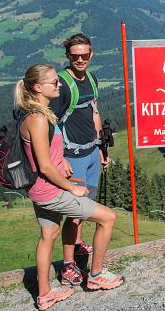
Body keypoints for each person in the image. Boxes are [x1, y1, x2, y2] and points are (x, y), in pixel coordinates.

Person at [15, 64, 123, 310]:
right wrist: (71, 188)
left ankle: (44, 295)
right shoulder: (39, 119)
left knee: (48, 236)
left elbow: (43, 154)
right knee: (108, 218)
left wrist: (60, 158)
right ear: (38, 87)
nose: (59, 84)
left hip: (39, 189)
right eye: (54, 82)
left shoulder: (32, 114)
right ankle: (96, 276)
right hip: (51, 191)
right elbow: (44, 166)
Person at [48, 33, 109, 285]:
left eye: (85, 55)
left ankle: (77, 247)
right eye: (75, 56)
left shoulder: (92, 79)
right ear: (68, 56)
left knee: (85, 209)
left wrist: (102, 147)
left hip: (92, 153)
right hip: (73, 158)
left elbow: (95, 113)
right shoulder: (62, 85)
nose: (81, 59)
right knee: (74, 214)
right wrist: (59, 159)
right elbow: (48, 123)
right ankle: (68, 265)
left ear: (91, 54)